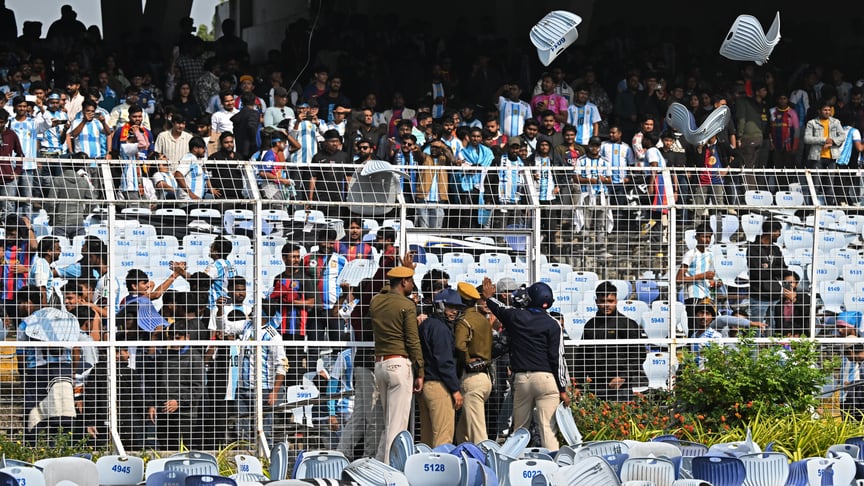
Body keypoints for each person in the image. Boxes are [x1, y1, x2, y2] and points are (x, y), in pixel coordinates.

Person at [480, 277, 569, 451]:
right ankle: (553, 468)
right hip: (547, 378)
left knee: (520, 430)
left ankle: (515, 465)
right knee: (548, 430)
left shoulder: (516, 316)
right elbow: (557, 358)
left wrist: (489, 296)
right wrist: (563, 389)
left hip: (522, 379)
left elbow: (499, 308)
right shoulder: (554, 324)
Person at [371, 265, 423, 463]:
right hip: (399, 364)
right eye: (410, 280)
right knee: (397, 426)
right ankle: (388, 470)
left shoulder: (376, 301)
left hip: (380, 364)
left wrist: (403, 272)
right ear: (403, 282)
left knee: (389, 423)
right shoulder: (407, 305)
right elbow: (412, 340)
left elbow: (386, 290)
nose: (412, 284)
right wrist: (421, 370)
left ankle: (377, 464)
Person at [576, 281, 644, 401]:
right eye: (602, 301)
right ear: (596, 302)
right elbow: (582, 357)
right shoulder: (590, 326)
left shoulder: (627, 324)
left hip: (620, 386)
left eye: (610, 301)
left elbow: (639, 354)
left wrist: (623, 377)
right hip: (595, 385)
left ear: (616, 301)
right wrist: (579, 384)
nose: (606, 305)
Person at [417, 288, 464, 447]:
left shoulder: (426, 324)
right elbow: (444, 362)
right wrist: (455, 389)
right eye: (451, 307)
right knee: (443, 438)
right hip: (439, 386)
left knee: (427, 438)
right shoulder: (441, 329)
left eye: (457, 308)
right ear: (440, 306)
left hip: (426, 386)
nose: (454, 312)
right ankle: (441, 471)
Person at [454, 282, 493, 445]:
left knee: (478, 434)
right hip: (485, 377)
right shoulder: (483, 320)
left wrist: (468, 359)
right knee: (462, 432)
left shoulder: (464, 321)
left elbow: (459, 345)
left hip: (471, 378)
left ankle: (486, 465)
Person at [803, 99, 847, 206]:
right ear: (819, 111)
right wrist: (824, 140)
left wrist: (832, 141)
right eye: (825, 110)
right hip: (817, 157)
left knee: (829, 185)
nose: (827, 112)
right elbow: (807, 138)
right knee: (815, 185)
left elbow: (842, 136)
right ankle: (812, 209)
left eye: (829, 110)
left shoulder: (835, 122)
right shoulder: (812, 123)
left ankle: (829, 209)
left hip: (831, 157)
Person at [746, 219, 787, 334]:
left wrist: (767, 267)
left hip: (775, 296)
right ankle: (753, 353)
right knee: (756, 330)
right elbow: (757, 273)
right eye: (778, 231)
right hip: (759, 296)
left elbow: (783, 269)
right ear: (771, 231)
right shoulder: (753, 249)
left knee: (773, 330)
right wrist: (773, 270)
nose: (779, 234)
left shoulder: (776, 249)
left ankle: (772, 352)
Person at [676, 222, 716, 306]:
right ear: (696, 237)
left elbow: (710, 278)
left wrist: (714, 283)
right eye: (704, 236)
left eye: (709, 237)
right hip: (693, 295)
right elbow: (679, 279)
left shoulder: (710, 254)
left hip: (707, 296)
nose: (707, 239)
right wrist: (702, 276)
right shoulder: (690, 254)